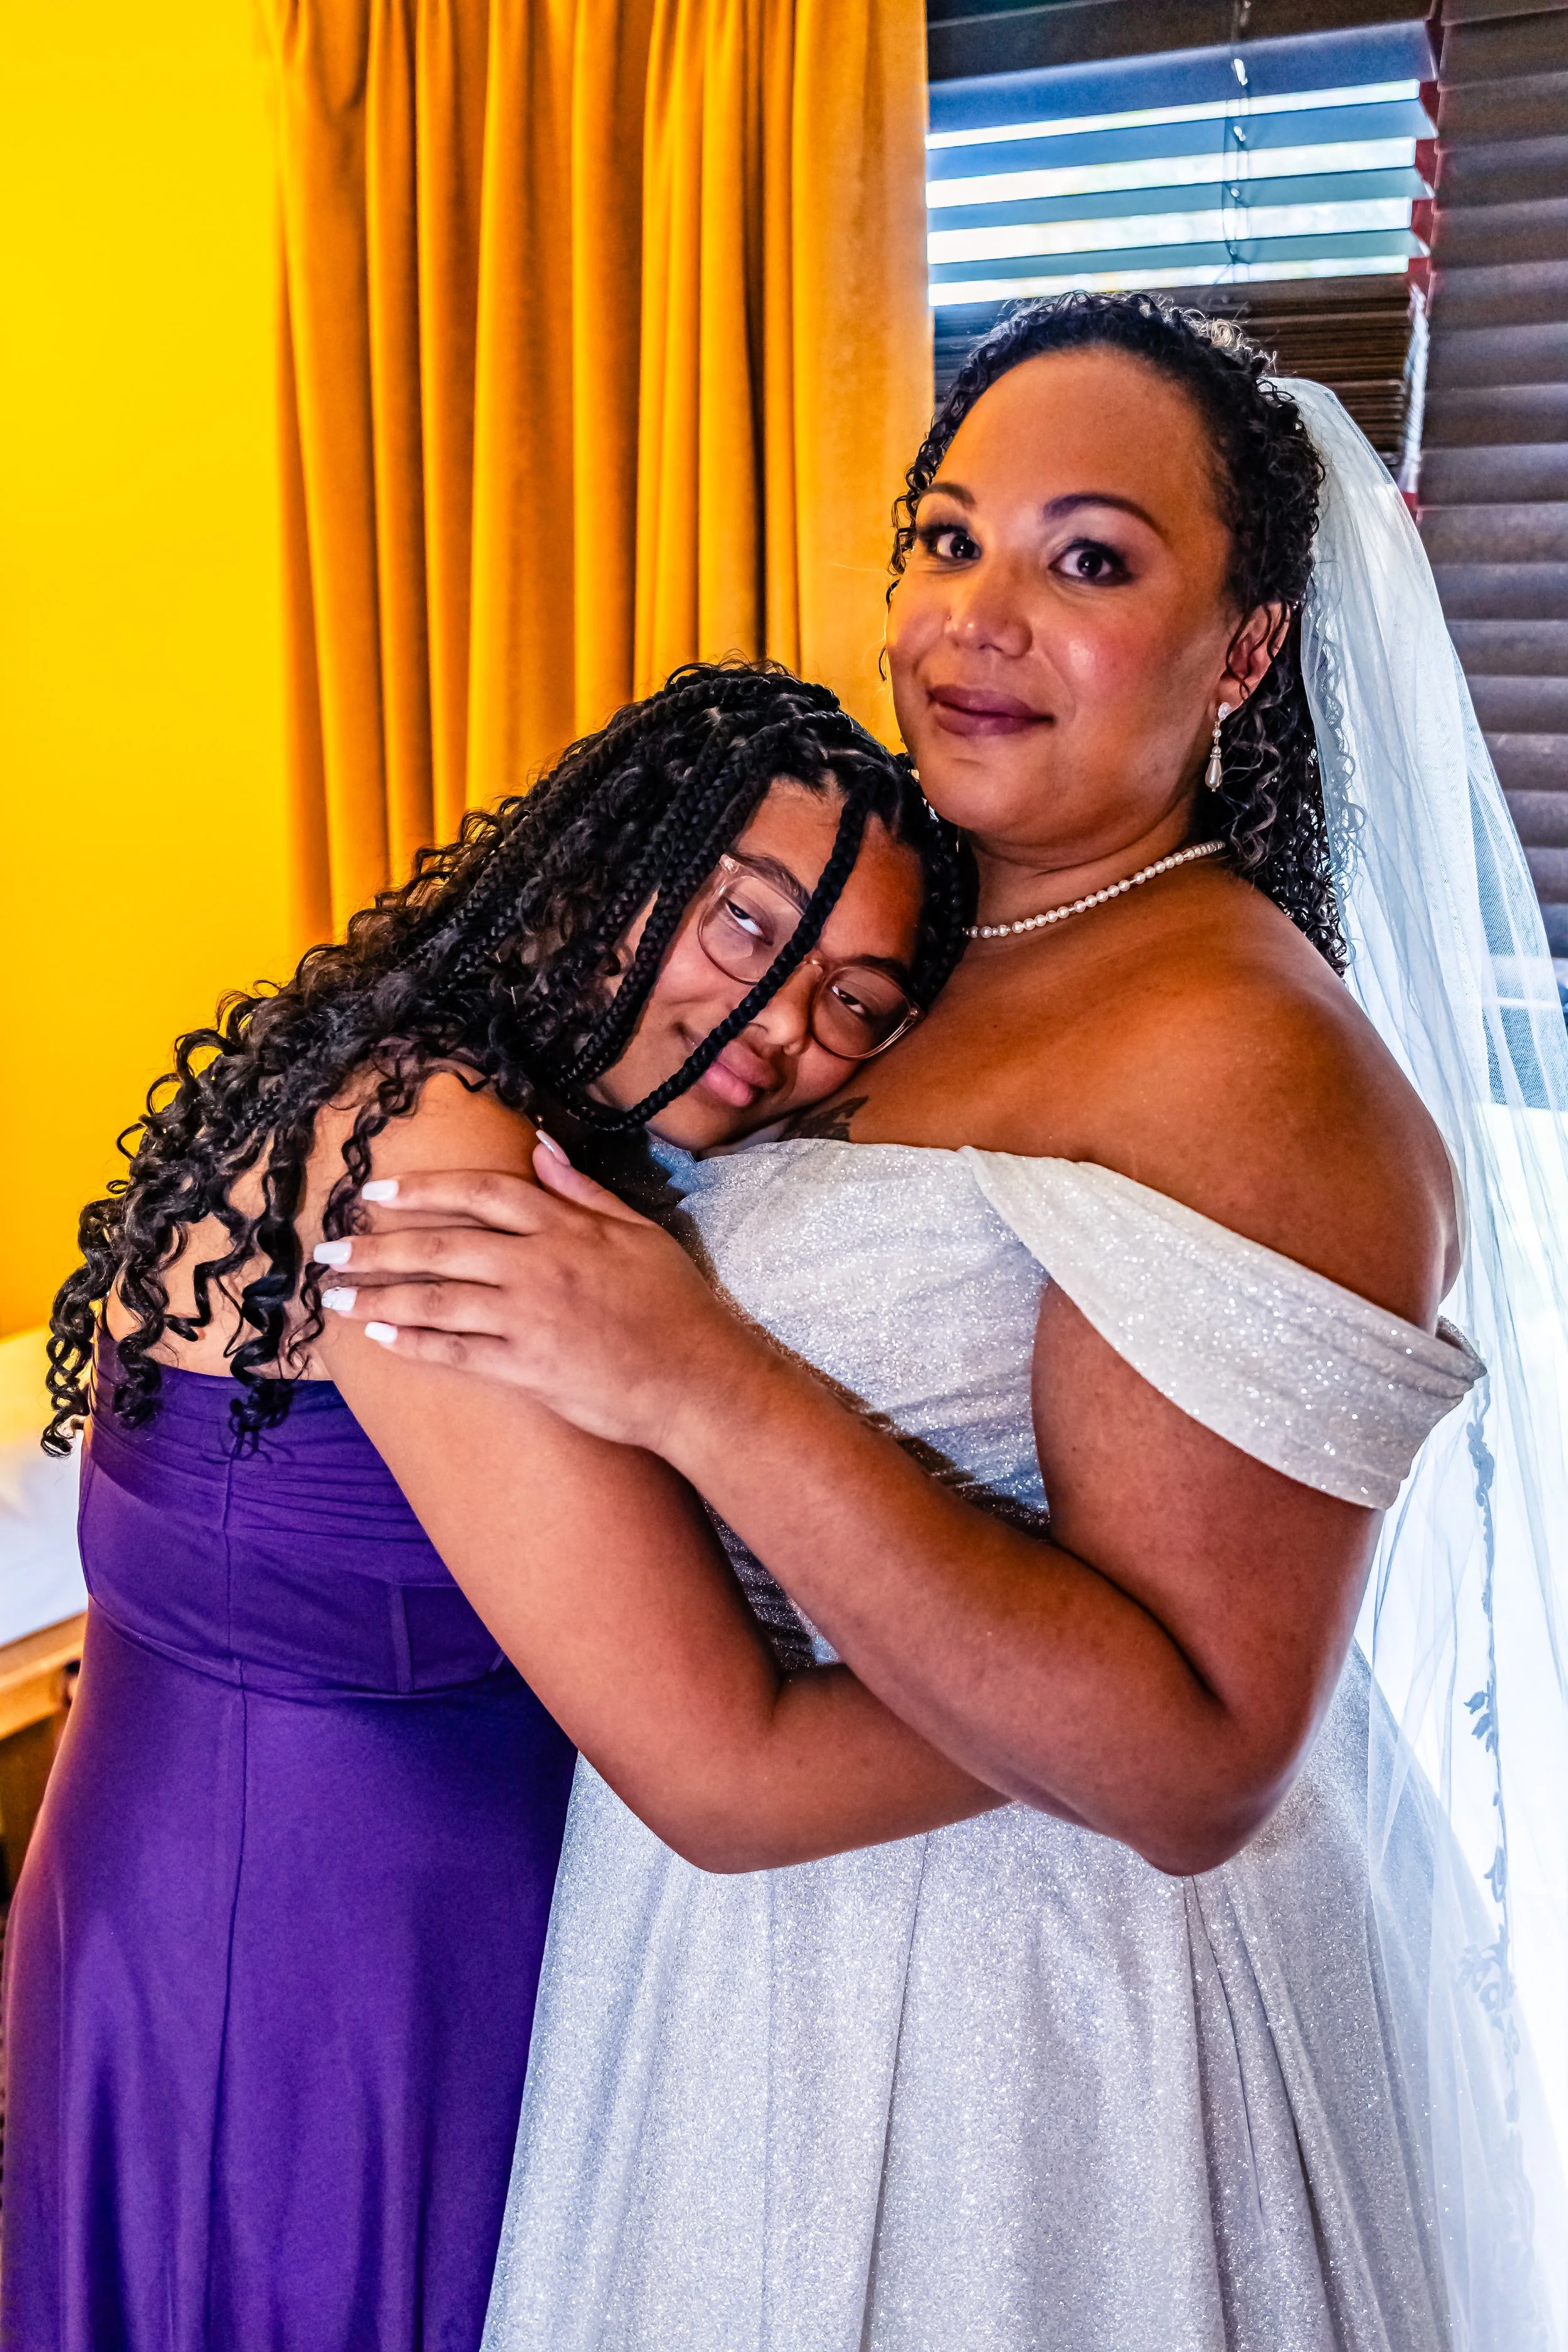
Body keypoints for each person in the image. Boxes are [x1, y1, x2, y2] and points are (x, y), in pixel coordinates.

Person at [325, 297, 1568, 2351]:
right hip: (732, 1956)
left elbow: (1194, 1770)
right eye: (944, 536)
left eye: (1087, 559)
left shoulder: (1250, 1061)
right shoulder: (894, 931)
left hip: (1047, 2026)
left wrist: (694, 1372)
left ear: (1242, 648)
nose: (969, 618)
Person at [8, 664, 978, 2352]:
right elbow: (726, 1771)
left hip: (257, 1917)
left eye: (854, 1001)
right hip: (318, 1977)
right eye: (747, 929)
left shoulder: (460, 1091)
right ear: (614, 866)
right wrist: (1124, 1698)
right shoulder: (440, 1152)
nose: (779, 1030)